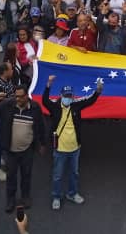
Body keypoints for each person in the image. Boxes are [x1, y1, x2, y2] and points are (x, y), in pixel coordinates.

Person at [42, 74, 103, 210]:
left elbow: (90, 101)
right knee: (57, 176)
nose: (68, 98)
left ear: (73, 96)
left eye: (70, 96)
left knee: (74, 173)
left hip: (75, 148)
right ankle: (56, 197)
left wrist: (98, 91)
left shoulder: (76, 105)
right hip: (59, 149)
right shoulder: (55, 106)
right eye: (65, 96)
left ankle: (72, 193)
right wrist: (48, 85)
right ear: (61, 95)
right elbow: (44, 101)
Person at [0, 85, 45, 213]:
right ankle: (11, 200)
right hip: (11, 151)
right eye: (16, 96)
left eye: (20, 96)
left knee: (26, 175)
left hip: (27, 151)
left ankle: (25, 197)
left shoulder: (35, 108)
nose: (17, 99)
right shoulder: (8, 105)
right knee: (11, 176)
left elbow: (40, 127)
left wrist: (42, 144)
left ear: (26, 96)